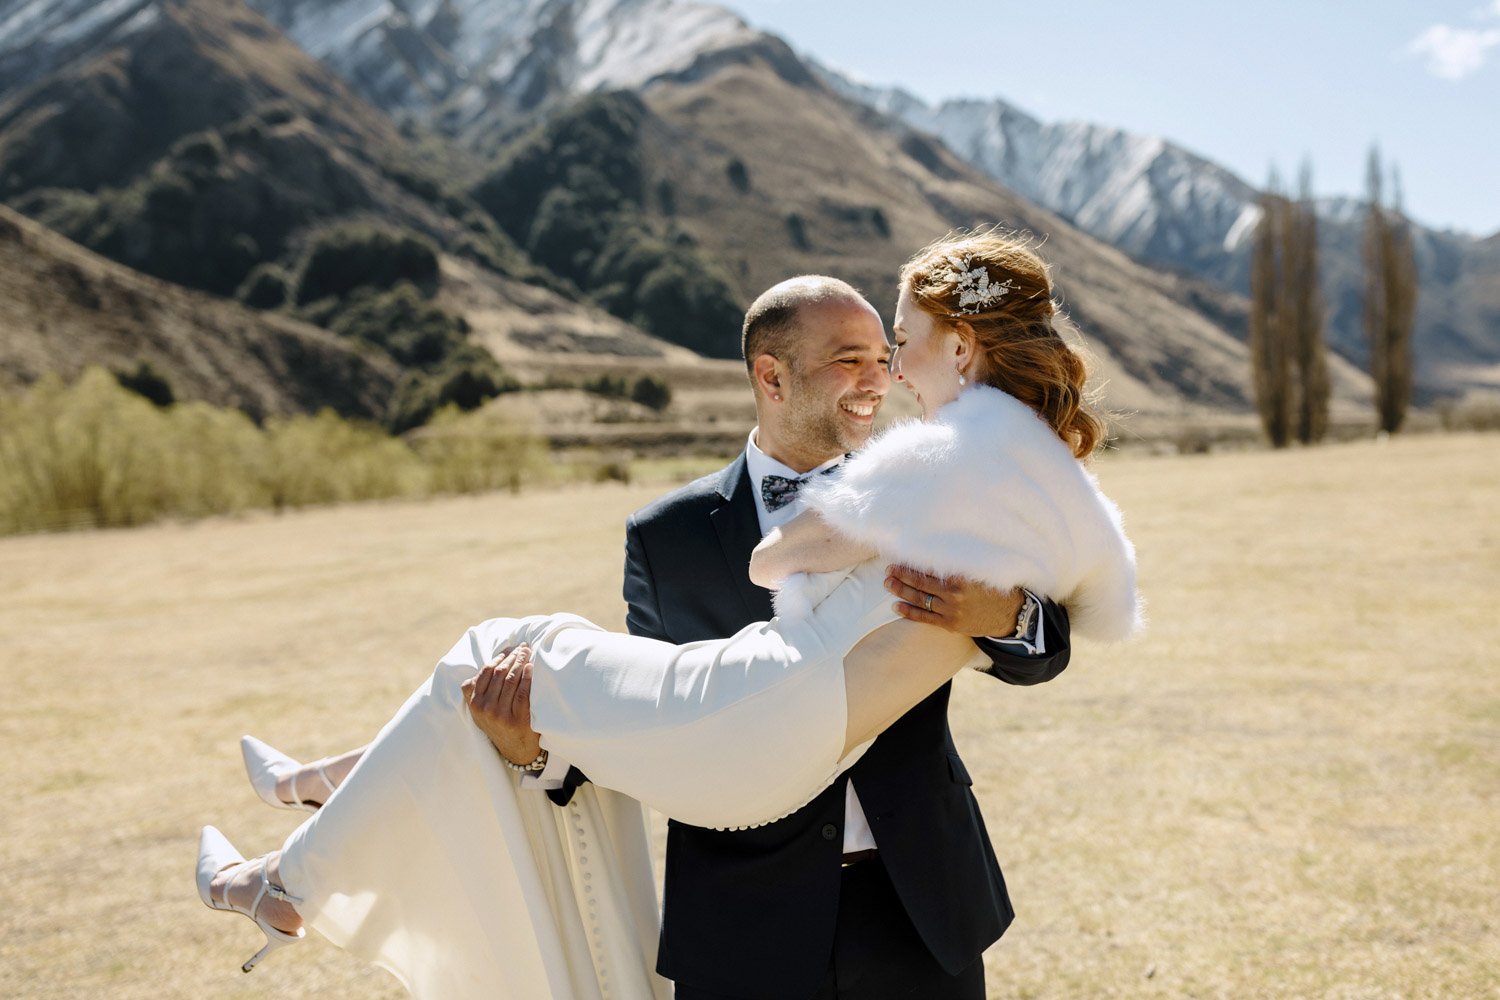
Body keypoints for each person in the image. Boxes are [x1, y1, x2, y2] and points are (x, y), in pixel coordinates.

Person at [196, 232, 1141, 1000]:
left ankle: (300, 843)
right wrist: (527, 754)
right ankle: (305, 837)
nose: (883, 374)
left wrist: (1000, 609)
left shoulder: (925, 469)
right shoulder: (670, 533)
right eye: (853, 356)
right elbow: (643, 732)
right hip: (747, 914)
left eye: (891, 347)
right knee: (505, 668)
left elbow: (1042, 645)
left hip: (915, 903)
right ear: (772, 377)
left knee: (504, 647)